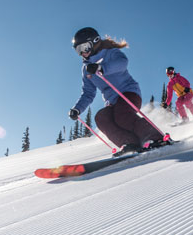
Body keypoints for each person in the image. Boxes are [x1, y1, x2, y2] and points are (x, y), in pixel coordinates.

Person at [69, 27, 165, 155]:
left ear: (95, 42)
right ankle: (130, 143)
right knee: (102, 118)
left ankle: (155, 137)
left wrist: (102, 68)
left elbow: (122, 63)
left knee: (122, 115)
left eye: (84, 48)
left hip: (129, 93)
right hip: (112, 101)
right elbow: (88, 93)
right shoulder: (86, 69)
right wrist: (77, 109)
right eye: (78, 50)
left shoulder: (110, 53)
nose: (82, 53)